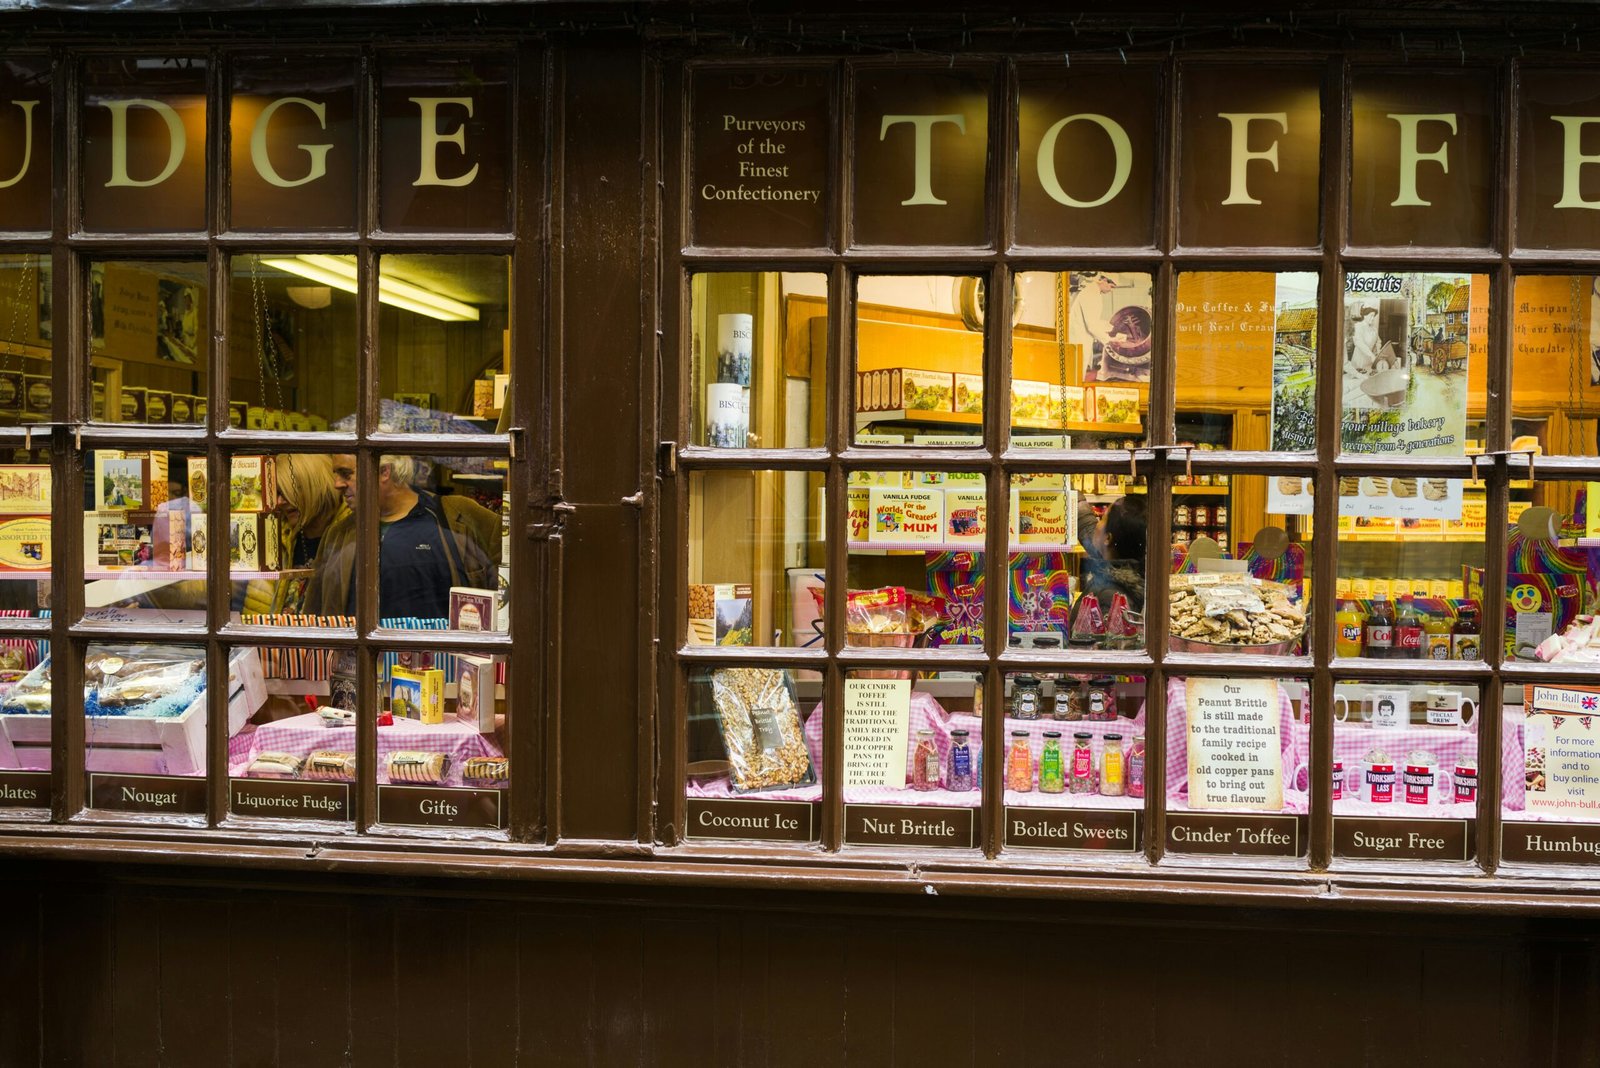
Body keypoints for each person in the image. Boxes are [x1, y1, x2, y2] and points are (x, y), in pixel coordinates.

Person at [304, 453, 500, 620]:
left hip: (445, 653)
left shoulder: (459, 516)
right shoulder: (338, 535)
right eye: (336, 474)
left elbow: (508, 583)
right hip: (364, 654)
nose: (337, 484)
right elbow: (315, 616)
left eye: (346, 474)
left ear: (384, 472)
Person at [1079, 493, 1147, 614]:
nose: (1097, 523)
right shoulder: (1127, 571)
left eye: (1102, 519)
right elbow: (1088, 529)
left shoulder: (1110, 597)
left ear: (1108, 538)